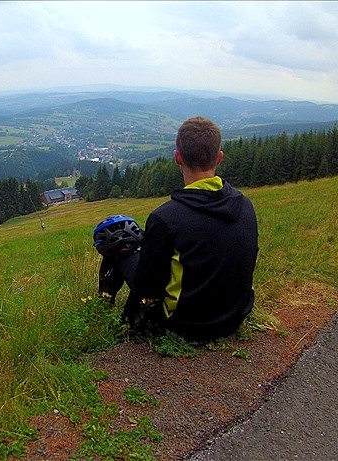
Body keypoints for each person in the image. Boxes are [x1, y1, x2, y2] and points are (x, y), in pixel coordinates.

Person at [93, 116, 258, 343]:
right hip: (234, 317)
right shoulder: (245, 205)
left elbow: (147, 287)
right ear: (219, 158)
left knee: (120, 237)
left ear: (177, 157)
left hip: (185, 325)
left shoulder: (166, 218)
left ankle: (103, 307)